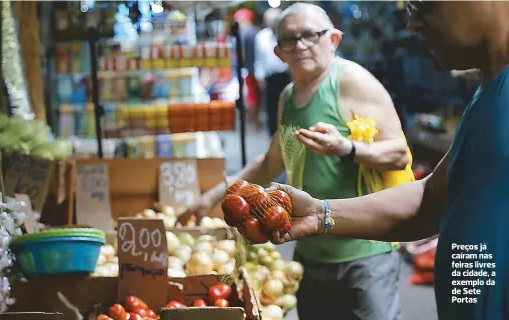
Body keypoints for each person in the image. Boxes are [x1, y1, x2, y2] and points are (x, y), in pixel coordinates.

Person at [266, 2, 509, 320]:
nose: (413, 25)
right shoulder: (487, 97)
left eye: (422, 6)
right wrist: (321, 214)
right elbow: (430, 199)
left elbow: (399, 156)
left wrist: (348, 150)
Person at [179, 3, 412, 319]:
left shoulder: (352, 81)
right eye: (290, 39)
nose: (301, 45)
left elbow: (398, 154)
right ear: (278, 52)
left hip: (364, 251)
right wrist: (212, 198)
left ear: (334, 40)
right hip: (310, 247)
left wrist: (348, 149)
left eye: (311, 35)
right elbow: (271, 163)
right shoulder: (288, 98)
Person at [254, 8, 291, 136]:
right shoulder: (261, 37)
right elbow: (259, 58)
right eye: (270, 21)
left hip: (287, 75)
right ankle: (273, 134)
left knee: (288, 106)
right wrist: (259, 77)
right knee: (272, 107)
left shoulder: (287, 34)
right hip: (270, 77)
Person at [234, 8, 261, 130]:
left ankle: (253, 124)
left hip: (248, 70)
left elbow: (242, 54)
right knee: (255, 97)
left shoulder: (244, 34)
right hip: (257, 69)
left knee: (250, 98)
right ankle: (254, 122)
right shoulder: (257, 32)